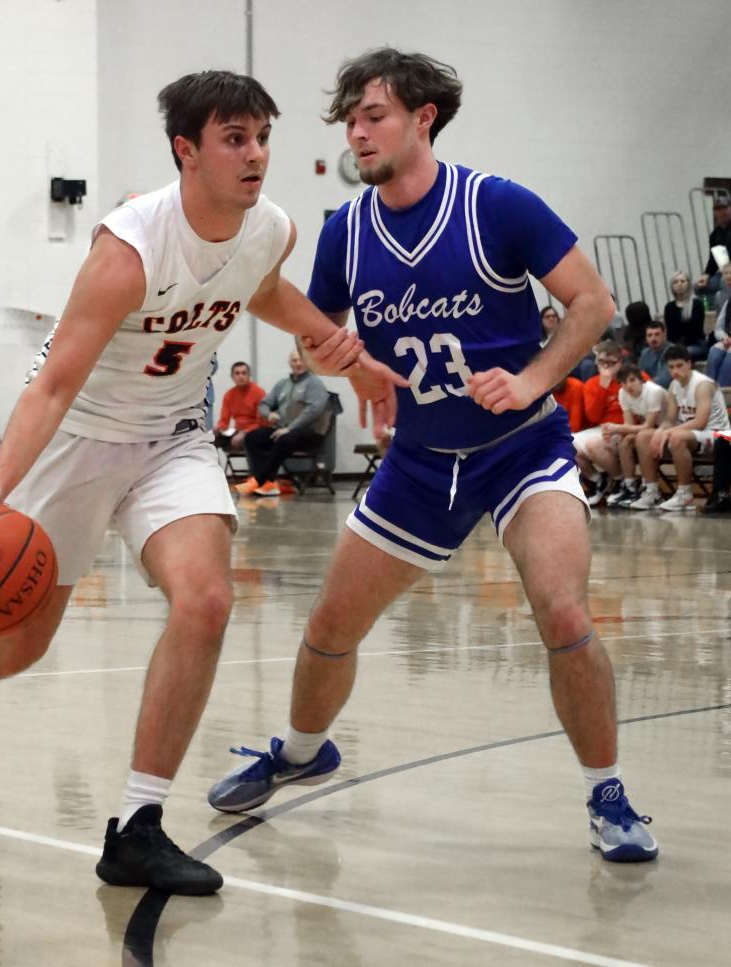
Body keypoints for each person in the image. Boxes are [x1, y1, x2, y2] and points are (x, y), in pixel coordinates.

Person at [0, 68, 400, 897]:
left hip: (170, 438)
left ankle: (138, 827)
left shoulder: (269, 229)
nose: (255, 156)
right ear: (187, 151)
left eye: (262, 138)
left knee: (206, 599)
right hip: (75, 437)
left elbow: (266, 291)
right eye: (235, 140)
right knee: (18, 642)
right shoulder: (131, 247)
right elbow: (55, 382)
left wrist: (344, 352)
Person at [208, 47, 658, 863]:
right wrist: (346, 365)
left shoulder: (498, 206)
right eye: (349, 119)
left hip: (521, 448)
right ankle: (305, 750)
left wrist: (530, 380)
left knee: (563, 613)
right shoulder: (345, 231)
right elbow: (315, 344)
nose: (358, 131)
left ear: (425, 117)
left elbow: (591, 303)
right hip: (420, 459)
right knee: (329, 625)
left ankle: (608, 791)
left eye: (373, 114)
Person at [630, 344, 731, 511]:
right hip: (692, 434)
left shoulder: (702, 385)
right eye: (671, 367)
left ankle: (684, 493)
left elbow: (700, 422)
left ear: (689, 364)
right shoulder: (674, 386)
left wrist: (669, 432)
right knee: (643, 436)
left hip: (716, 434)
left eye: (679, 366)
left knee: (677, 437)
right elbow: (670, 419)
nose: (675, 371)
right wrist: (661, 431)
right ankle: (652, 491)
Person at [235, 349, 331, 496]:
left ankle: (259, 481)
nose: (297, 363)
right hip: (283, 430)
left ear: (307, 362)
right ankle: (268, 483)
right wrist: (269, 414)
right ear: (289, 363)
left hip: (309, 434)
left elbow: (313, 411)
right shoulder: (282, 384)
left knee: (284, 439)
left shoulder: (314, 383)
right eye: (294, 360)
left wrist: (290, 428)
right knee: (252, 438)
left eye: (300, 360)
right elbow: (264, 404)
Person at [604, 363, 668, 508]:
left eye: (632, 380)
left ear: (641, 379)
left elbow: (648, 426)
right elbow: (629, 426)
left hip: (669, 427)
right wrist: (618, 430)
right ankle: (630, 487)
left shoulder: (654, 392)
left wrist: (617, 427)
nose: (628, 386)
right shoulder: (623, 393)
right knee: (624, 440)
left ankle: (652, 490)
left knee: (641, 437)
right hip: (651, 429)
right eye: (623, 382)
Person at [573, 340, 625, 505]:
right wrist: (603, 387)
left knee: (594, 444)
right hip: (601, 427)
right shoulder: (592, 384)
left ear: (620, 362)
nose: (607, 367)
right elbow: (593, 416)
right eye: (602, 362)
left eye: (611, 363)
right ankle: (598, 480)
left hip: (625, 428)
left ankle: (621, 481)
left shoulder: (632, 378)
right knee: (565, 443)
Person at [213, 360, 266, 453]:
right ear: (232, 377)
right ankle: (214, 467)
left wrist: (245, 433)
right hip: (237, 432)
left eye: (244, 373)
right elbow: (224, 421)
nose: (240, 376)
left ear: (249, 375)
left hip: (254, 432)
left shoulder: (259, 393)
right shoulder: (229, 395)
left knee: (250, 439)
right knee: (211, 440)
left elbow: (261, 422)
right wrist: (218, 427)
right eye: (237, 373)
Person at [663, 271, 707, 361]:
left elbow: (696, 330)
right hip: (675, 345)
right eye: (676, 282)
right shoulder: (669, 307)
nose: (679, 284)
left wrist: (680, 347)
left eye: (682, 281)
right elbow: (670, 332)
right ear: (672, 286)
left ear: (688, 284)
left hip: (696, 344)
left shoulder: (697, 304)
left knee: (679, 355)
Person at [695, 197, 731, 295]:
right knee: (698, 287)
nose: (722, 212)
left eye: (725, 208)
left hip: (727, 273)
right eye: (718, 209)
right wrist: (706, 275)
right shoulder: (715, 235)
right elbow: (713, 260)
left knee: (724, 284)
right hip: (722, 272)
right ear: (715, 212)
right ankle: (715, 308)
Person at [704, 262, 731, 387]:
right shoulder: (728, 301)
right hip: (729, 339)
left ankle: (725, 394)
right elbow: (719, 327)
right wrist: (724, 337)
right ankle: (709, 389)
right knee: (715, 351)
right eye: (726, 273)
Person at [637, 320, 674, 388]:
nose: (653, 339)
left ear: (664, 334)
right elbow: (639, 376)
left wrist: (643, 385)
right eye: (649, 335)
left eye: (657, 334)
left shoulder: (673, 351)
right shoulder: (645, 353)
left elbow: (665, 380)